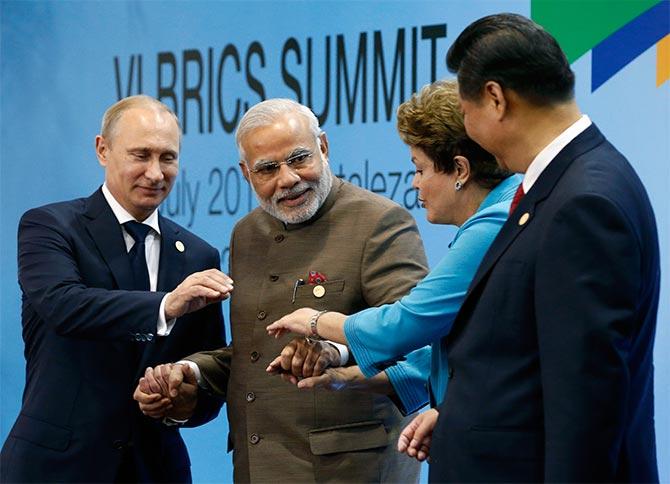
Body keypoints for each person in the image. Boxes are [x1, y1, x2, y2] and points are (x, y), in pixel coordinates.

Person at [134, 98, 430, 482]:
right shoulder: (247, 233)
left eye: (299, 158)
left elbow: (414, 345)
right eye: (268, 168)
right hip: (259, 468)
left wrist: (335, 351)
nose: (288, 178)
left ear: (323, 147)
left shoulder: (379, 222)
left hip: (350, 471)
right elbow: (253, 354)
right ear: (245, 173)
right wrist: (189, 371)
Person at [427, 13, 658, 483]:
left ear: (495, 98)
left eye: (464, 110)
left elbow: (586, 404)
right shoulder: (564, 185)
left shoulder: (583, 202)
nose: (467, 128)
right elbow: (527, 361)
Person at [265, 79, 518, 462]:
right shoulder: (506, 209)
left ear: (460, 170)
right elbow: (455, 347)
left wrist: (318, 321)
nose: (415, 183)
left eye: (419, 169)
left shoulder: (496, 223)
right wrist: (345, 377)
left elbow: (410, 321)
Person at [0, 95, 233, 483]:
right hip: (57, 468)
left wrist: (180, 400)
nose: (156, 173)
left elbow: (209, 370)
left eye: (168, 157)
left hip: (156, 470)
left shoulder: (197, 255)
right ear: (102, 150)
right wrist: (166, 305)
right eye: (141, 155)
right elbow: (65, 305)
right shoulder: (50, 227)